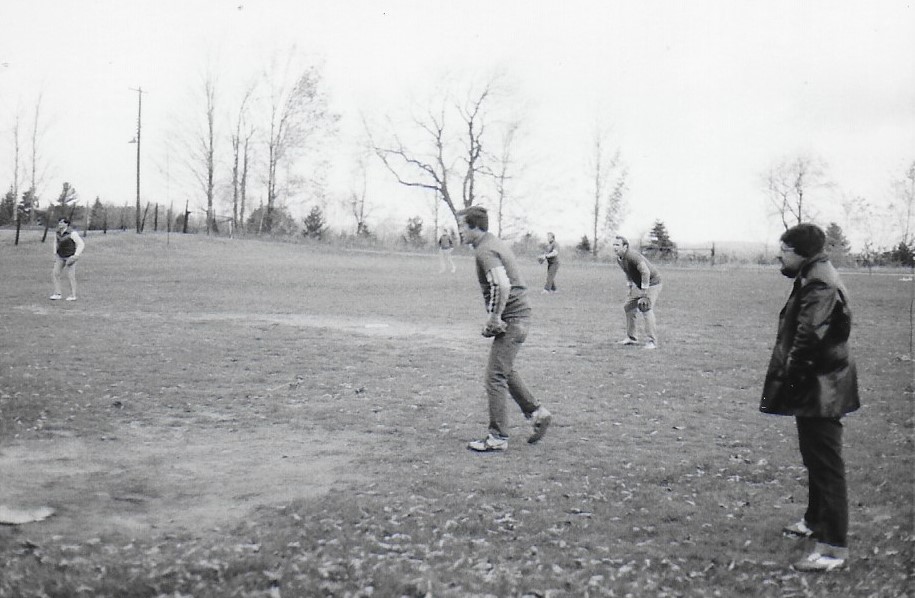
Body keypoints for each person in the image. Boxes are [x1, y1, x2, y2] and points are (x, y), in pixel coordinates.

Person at [760, 223, 859, 573]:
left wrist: (791, 380)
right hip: (820, 383)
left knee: (826, 465)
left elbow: (808, 336)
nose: (778, 254)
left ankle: (832, 548)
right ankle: (814, 521)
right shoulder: (813, 273)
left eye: (784, 249)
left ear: (800, 252)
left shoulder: (818, 281)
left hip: (821, 385)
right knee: (814, 457)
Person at [457, 206, 551, 452]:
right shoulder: (491, 243)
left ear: (475, 227)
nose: (460, 231)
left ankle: (497, 437)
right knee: (504, 369)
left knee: (494, 376)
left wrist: (495, 317)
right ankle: (536, 413)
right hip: (519, 316)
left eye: (462, 226)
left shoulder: (485, 250)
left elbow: (501, 284)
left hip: (513, 318)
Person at [611, 235, 662, 349]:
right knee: (628, 307)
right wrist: (630, 287)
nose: (615, 247)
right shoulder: (620, 258)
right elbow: (628, 272)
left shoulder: (632, 256)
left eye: (617, 245)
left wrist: (644, 293)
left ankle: (652, 341)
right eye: (614, 245)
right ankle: (632, 338)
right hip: (640, 284)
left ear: (625, 247)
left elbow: (646, 272)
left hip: (653, 283)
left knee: (645, 307)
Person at [50, 218, 85, 301]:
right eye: (59, 222)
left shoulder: (72, 233)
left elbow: (81, 244)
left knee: (70, 275)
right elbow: (55, 243)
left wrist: (76, 255)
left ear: (66, 224)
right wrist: (55, 253)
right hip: (60, 256)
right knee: (55, 273)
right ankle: (57, 293)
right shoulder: (57, 233)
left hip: (70, 256)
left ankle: (73, 295)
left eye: (62, 222)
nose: (60, 224)